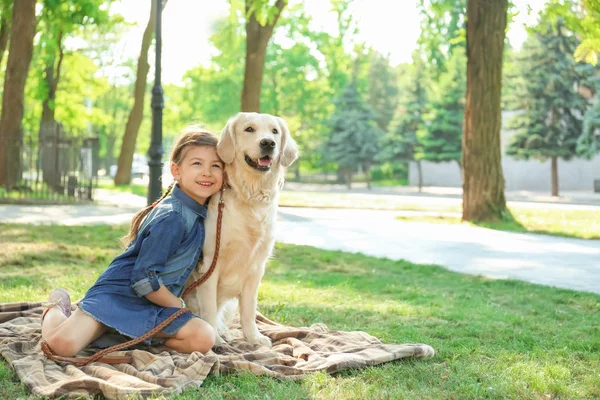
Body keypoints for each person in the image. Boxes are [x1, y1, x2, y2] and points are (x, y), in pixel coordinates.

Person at [41, 127, 224, 356]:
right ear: (176, 171)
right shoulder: (174, 217)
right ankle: (57, 306)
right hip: (120, 296)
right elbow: (144, 280)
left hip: (154, 306)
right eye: (197, 163)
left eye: (215, 165)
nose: (207, 172)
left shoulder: (200, 211)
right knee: (61, 346)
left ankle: (133, 339)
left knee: (203, 337)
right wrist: (178, 307)